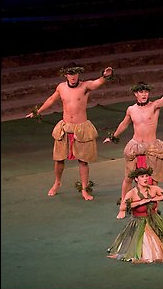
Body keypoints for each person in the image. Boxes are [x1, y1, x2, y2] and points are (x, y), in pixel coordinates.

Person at [25, 62, 114, 200]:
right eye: (70, 74)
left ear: (78, 73)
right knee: (59, 159)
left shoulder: (85, 86)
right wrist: (38, 111)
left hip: (81, 128)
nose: (73, 76)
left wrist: (104, 76)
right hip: (65, 128)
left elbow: (97, 83)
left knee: (83, 161)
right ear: (65, 74)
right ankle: (57, 183)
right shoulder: (61, 87)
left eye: (75, 73)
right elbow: (51, 100)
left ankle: (84, 189)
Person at [103, 75, 163, 202]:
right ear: (135, 94)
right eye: (141, 92)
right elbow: (124, 124)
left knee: (153, 178)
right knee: (129, 177)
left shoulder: (155, 106)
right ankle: (124, 203)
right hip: (135, 146)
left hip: (152, 147)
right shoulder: (131, 109)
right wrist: (113, 137)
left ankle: (152, 205)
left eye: (146, 92)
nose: (144, 94)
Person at [107, 167, 163, 262]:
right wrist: (140, 202)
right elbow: (122, 207)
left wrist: (160, 197)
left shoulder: (154, 189)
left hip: (154, 221)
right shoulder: (132, 193)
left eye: (147, 176)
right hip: (139, 223)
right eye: (142, 176)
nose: (145, 178)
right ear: (136, 179)